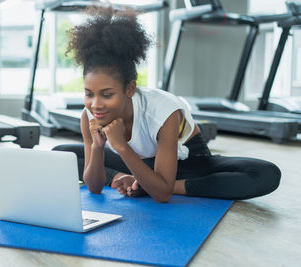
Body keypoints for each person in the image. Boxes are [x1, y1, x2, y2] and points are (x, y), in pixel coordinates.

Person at [53, 6, 281, 203]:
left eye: (107, 94)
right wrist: (98, 148)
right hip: (138, 164)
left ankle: (159, 182)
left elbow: (162, 196)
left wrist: (122, 147)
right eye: (88, 94)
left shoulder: (164, 111)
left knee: (265, 174)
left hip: (187, 163)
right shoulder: (89, 117)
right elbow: (93, 187)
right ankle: (129, 178)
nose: (96, 104)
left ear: (130, 89)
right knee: (62, 153)